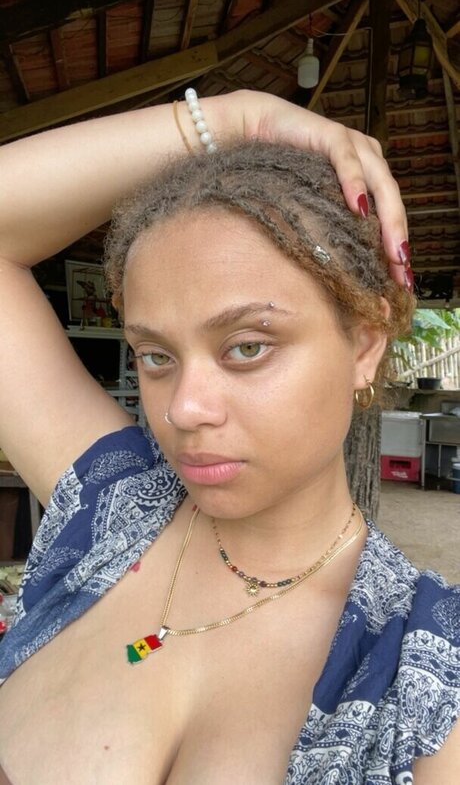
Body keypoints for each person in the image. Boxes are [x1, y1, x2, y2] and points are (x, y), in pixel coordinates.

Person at [0, 88, 457, 785]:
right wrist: (234, 117)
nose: (184, 409)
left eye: (247, 346)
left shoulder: (425, 679)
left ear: (364, 343)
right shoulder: (110, 510)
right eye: (156, 356)